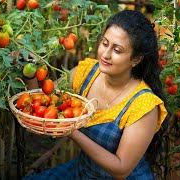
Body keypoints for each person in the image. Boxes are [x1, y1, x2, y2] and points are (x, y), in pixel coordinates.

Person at [24, 10, 168, 179]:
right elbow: (44, 102)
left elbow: (121, 168)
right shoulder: (86, 73)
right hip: (84, 172)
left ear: (136, 59)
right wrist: (30, 72)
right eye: (105, 43)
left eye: (117, 50)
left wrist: (71, 130)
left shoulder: (143, 105)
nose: (106, 55)